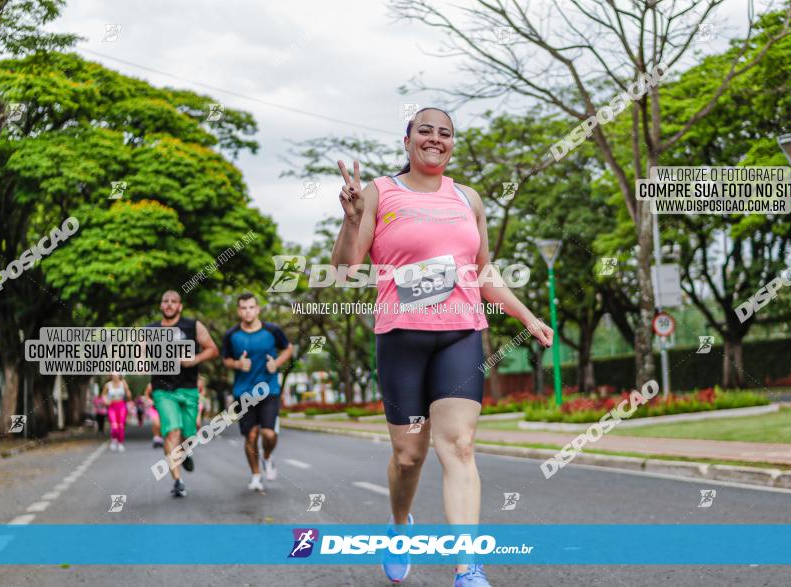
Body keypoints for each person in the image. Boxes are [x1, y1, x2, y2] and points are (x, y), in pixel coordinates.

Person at [331, 108, 553, 587]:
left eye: (445, 133)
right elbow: (346, 270)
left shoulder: (467, 198)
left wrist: (527, 315)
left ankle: (467, 569)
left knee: (460, 446)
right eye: (425, 131)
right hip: (401, 340)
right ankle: (399, 526)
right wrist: (351, 222)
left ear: (453, 144)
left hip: (460, 334)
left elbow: (483, 271)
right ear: (407, 139)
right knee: (409, 456)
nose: (435, 138)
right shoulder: (379, 192)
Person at [146, 290, 219, 498]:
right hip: (163, 389)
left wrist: (194, 360)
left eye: (173, 301)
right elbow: (139, 353)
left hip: (188, 389)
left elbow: (212, 349)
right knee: (172, 432)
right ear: (161, 306)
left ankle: (186, 452)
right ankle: (177, 480)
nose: (169, 304)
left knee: (189, 433)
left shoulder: (192, 326)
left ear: (180, 306)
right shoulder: (150, 330)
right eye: (165, 301)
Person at [221, 292, 292, 492]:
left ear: (258, 309)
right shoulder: (231, 335)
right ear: (238, 311)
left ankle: (267, 457)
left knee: (268, 434)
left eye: (251, 307)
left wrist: (276, 363)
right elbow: (225, 359)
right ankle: (255, 475)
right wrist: (237, 363)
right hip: (243, 392)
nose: (248, 311)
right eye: (243, 308)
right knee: (250, 436)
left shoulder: (273, 330)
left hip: (269, 389)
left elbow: (288, 348)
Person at [103, 371, 132, 452]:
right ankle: (113, 440)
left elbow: (128, 393)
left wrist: (129, 394)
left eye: (116, 375)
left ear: (119, 376)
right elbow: (104, 394)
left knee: (121, 425)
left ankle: (120, 443)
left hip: (121, 406)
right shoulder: (108, 385)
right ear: (111, 376)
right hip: (112, 407)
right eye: (113, 375)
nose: (115, 377)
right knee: (114, 426)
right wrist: (106, 401)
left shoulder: (123, 383)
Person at [143, 383, 164, 448]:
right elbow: (146, 395)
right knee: (156, 423)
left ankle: (160, 439)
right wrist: (150, 401)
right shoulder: (150, 385)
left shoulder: (165, 384)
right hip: (153, 408)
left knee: (161, 424)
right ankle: (156, 438)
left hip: (163, 408)